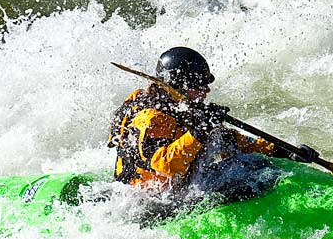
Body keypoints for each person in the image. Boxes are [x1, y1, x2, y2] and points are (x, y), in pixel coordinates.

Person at [108, 47, 318, 208]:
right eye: (199, 85)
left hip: (165, 192)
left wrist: (284, 151)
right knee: (254, 181)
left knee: (252, 163)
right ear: (180, 86)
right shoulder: (151, 117)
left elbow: (227, 139)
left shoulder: (178, 106)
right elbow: (165, 166)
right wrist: (201, 130)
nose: (206, 89)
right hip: (146, 203)